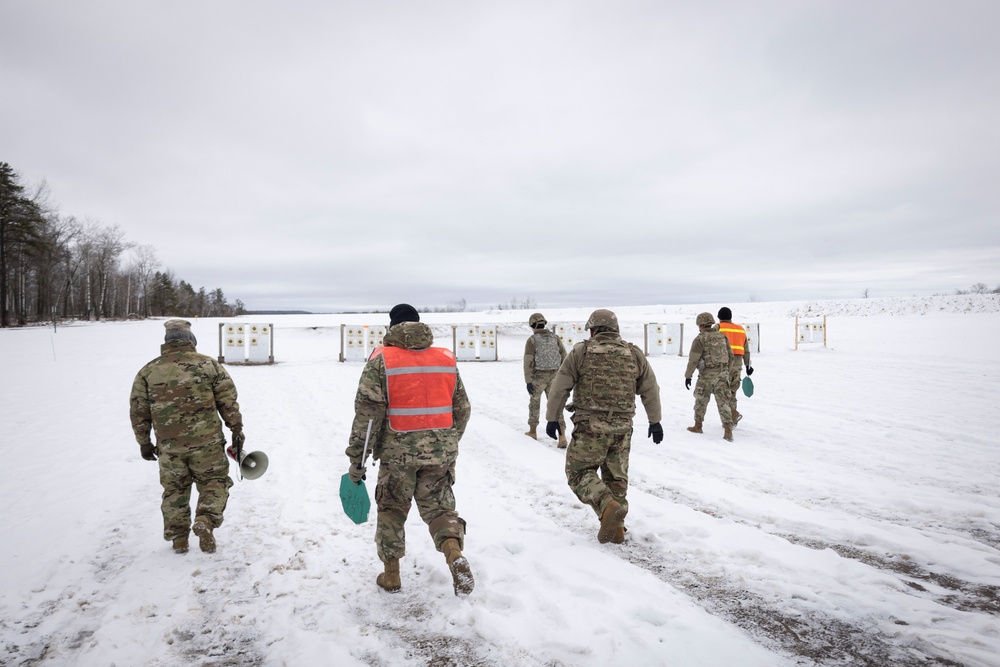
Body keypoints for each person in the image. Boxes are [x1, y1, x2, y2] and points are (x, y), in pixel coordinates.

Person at [345, 303, 474, 596]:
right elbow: (462, 408)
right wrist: (449, 443)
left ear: (391, 327)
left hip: (397, 453)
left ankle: (391, 575)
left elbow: (368, 417)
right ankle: (454, 554)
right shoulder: (445, 358)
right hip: (440, 452)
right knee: (440, 507)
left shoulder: (382, 360)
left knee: (391, 509)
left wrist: (358, 459)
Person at [544, 309, 662, 544]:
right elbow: (650, 389)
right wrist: (655, 421)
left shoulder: (581, 351)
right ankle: (616, 528)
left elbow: (560, 386)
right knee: (616, 478)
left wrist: (551, 417)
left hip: (590, 426)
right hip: (622, 427)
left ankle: (608, 506)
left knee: (578, 472)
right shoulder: (633, 353)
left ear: (593, 329)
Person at [129, 319, 244, 554]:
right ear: (190, 340)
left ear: (167, 342)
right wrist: (236, 429)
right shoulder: (209, 365)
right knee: (214, 482)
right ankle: (205, 521)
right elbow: (227, 401)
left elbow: (138, 410)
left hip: (170, 447)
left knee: (174, 490)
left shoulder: (148, 370)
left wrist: (144, 443)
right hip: (208, 444)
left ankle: (179, 539)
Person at [684, 312, 735, 441]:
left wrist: (688, 376)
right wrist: (725, 372)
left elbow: (693, 359)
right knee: (724, 403)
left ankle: (698, 425)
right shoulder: (723, 337)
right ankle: (728, 431)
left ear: (700, 324)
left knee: (701, 400)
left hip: (706, 375)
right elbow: (731, 357)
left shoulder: (700, 339)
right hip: (722, 374)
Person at [523, 312, 568, 447]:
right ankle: (562, 436)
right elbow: (564, 356)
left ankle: (532, 431)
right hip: (555, 376)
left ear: (532, 325)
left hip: (538, 377)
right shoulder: (555, 338)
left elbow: (528, 361)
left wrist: (528, 380)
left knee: (534, 403)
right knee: (556, 405)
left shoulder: (532, 340)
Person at [717, 307, 753, 426]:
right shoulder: (741, 329)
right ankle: (732, 421)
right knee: (732, 393)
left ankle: (730, 418)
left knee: (722, 394)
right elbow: (746, 350)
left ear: (719, 318)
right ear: (730, 317)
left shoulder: (718, 328)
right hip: (737, 367)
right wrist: (748, 365)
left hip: (723, 366)